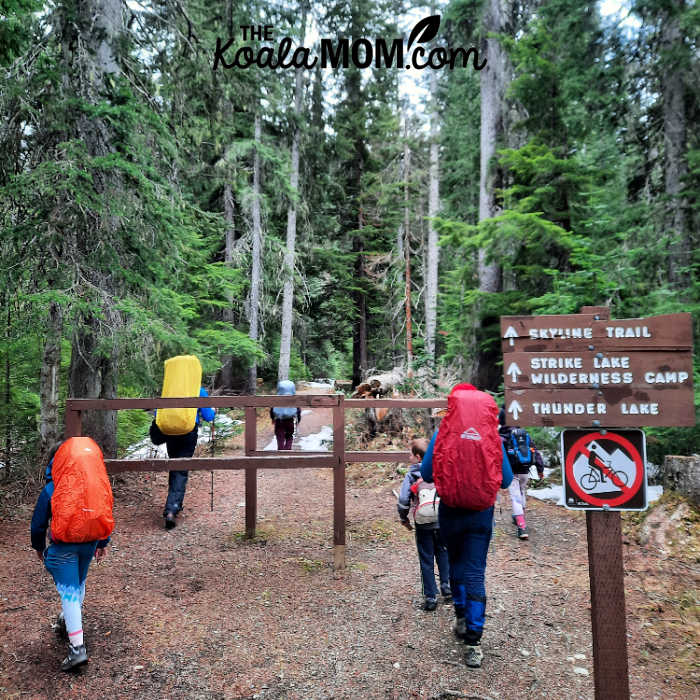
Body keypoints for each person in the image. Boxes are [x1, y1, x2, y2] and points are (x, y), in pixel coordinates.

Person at [421, 384, 513, 669]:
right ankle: (474, 642)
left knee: (457, 565)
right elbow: (507, 481)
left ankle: (461, 617)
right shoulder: (491, 437)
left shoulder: (442, 434)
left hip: (450, 512)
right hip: (481, 515)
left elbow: (425, 473)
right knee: (474, 571)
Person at [30, 441, 111, 671]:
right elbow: (103, 510)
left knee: (69, 593)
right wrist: (102, 541)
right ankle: (67, 621)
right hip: (89, 543)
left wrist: (38, 546)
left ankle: (77, 648)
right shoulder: (93, 485)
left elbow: (38, 524)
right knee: (78, 583)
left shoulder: (53, 488)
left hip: (64, 547)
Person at [397, 438, 451, 611]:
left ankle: (430, 597)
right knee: (443, 552)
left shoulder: (412, 474)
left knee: (426, 558)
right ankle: (447, 586)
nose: (409, 457)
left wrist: (403, 518)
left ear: (419, 458)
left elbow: (404, 499)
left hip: (422, 524)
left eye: (411, 455)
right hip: (442, 520)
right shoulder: (441, 470)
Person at [156, 386, 215, 529]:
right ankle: (172, 509)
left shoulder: (170, 387)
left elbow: (158, 411)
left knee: (174, 465)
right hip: (189, 431)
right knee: (181, 469)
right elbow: (208, 416)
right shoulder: (198, 389)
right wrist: (213, 411)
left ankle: (174, 503)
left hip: (170, 430)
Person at [498, 408, 544, 540]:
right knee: (522, 492)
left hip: (512, 472)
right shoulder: (524, 434)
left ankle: (522, 527)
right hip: (525, 471)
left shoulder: (502, 437)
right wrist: (540, 470)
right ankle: (520, 516)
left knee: (515, 498)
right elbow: (535, 452)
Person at [270, 380, 301, 450]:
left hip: (279, 420)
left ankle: (281, 453)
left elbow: (272, 409)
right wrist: (298, 421)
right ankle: (287, 451)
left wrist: (272, 418)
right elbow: (298, 410)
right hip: (290, 420)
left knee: (280, 437)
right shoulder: (294, 399)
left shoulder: (276, 399)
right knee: (289, 437)